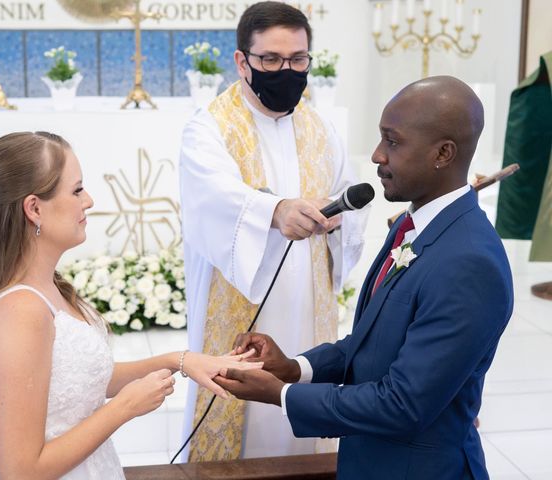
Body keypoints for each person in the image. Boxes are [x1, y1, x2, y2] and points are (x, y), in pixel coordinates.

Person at [214, 76, 514, 479]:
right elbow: (373, 343)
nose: (376, 156)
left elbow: (403, 405)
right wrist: (294, 368)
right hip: (370, 461)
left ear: (443, 153)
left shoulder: (469, 261)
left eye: (392, 141)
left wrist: (283, 396)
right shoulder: (410, 225)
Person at [0, 131, 262, 479]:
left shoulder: (45, 289)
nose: (90, 201)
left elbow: (78, 379)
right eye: (77, 189)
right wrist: (125, 408)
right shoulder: (20, 312)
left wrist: (180, 360)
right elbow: (20, 472)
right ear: (34, 208)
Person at [179, 1, 368, 461]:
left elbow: (347, 191)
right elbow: (211, 198)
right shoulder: (209, 128)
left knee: (301, 404)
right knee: (242, 424)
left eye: (298, 59)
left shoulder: (320, 128)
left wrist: (342, 217)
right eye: (271, 60)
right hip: (242, 301)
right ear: (243, 61)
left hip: (308, 300)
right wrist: (274, 209)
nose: (287, 71)